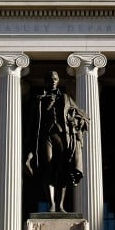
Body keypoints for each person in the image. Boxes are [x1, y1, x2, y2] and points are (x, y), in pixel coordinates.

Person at [25, 70, 90, 213]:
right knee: (47, 167)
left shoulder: (66, 98)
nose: (53, 80)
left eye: (55, 78)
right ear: (46, 81)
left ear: (58, 80)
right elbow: (31, 126)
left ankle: (60, 205)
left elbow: (83, 117)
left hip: (62, 136)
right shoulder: (39, 100)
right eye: (50, 78)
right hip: (45, 136)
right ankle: (51, 205)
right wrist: (29, 151)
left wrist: (75, 120)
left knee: (62, 170)